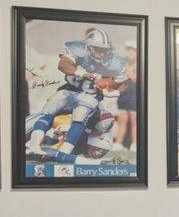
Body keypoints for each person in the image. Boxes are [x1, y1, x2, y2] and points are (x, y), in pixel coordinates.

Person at [24, 26, 126, 162]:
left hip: (90, 97)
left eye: (104, 50)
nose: (101, 53)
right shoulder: (77, 49)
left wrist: (110, 87)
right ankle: (34, 144)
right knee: (51, 107)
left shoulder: (113, 61)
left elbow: (121, 82)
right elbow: (63, 65)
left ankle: (65, 152)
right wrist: (81, 73)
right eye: (97, 49)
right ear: (88, 47)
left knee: (92, 117)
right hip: (70, 91)